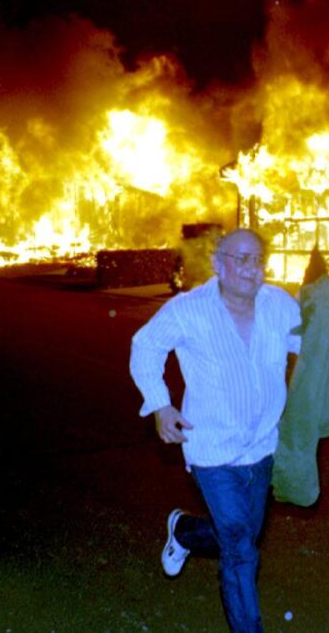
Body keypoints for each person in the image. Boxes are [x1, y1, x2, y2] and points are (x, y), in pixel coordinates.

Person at [129, 228, 300, 633]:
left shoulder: (280, 305)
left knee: (241, 535)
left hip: (262, 445)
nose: (249, 268)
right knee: (240, 548)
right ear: (218, 263)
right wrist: (160, 404)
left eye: (256, 259)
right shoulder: (188, 309)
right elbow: (146, 345)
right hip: (211, 446)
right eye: (239, 258)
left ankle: (185, 531)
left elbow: (313, 343)